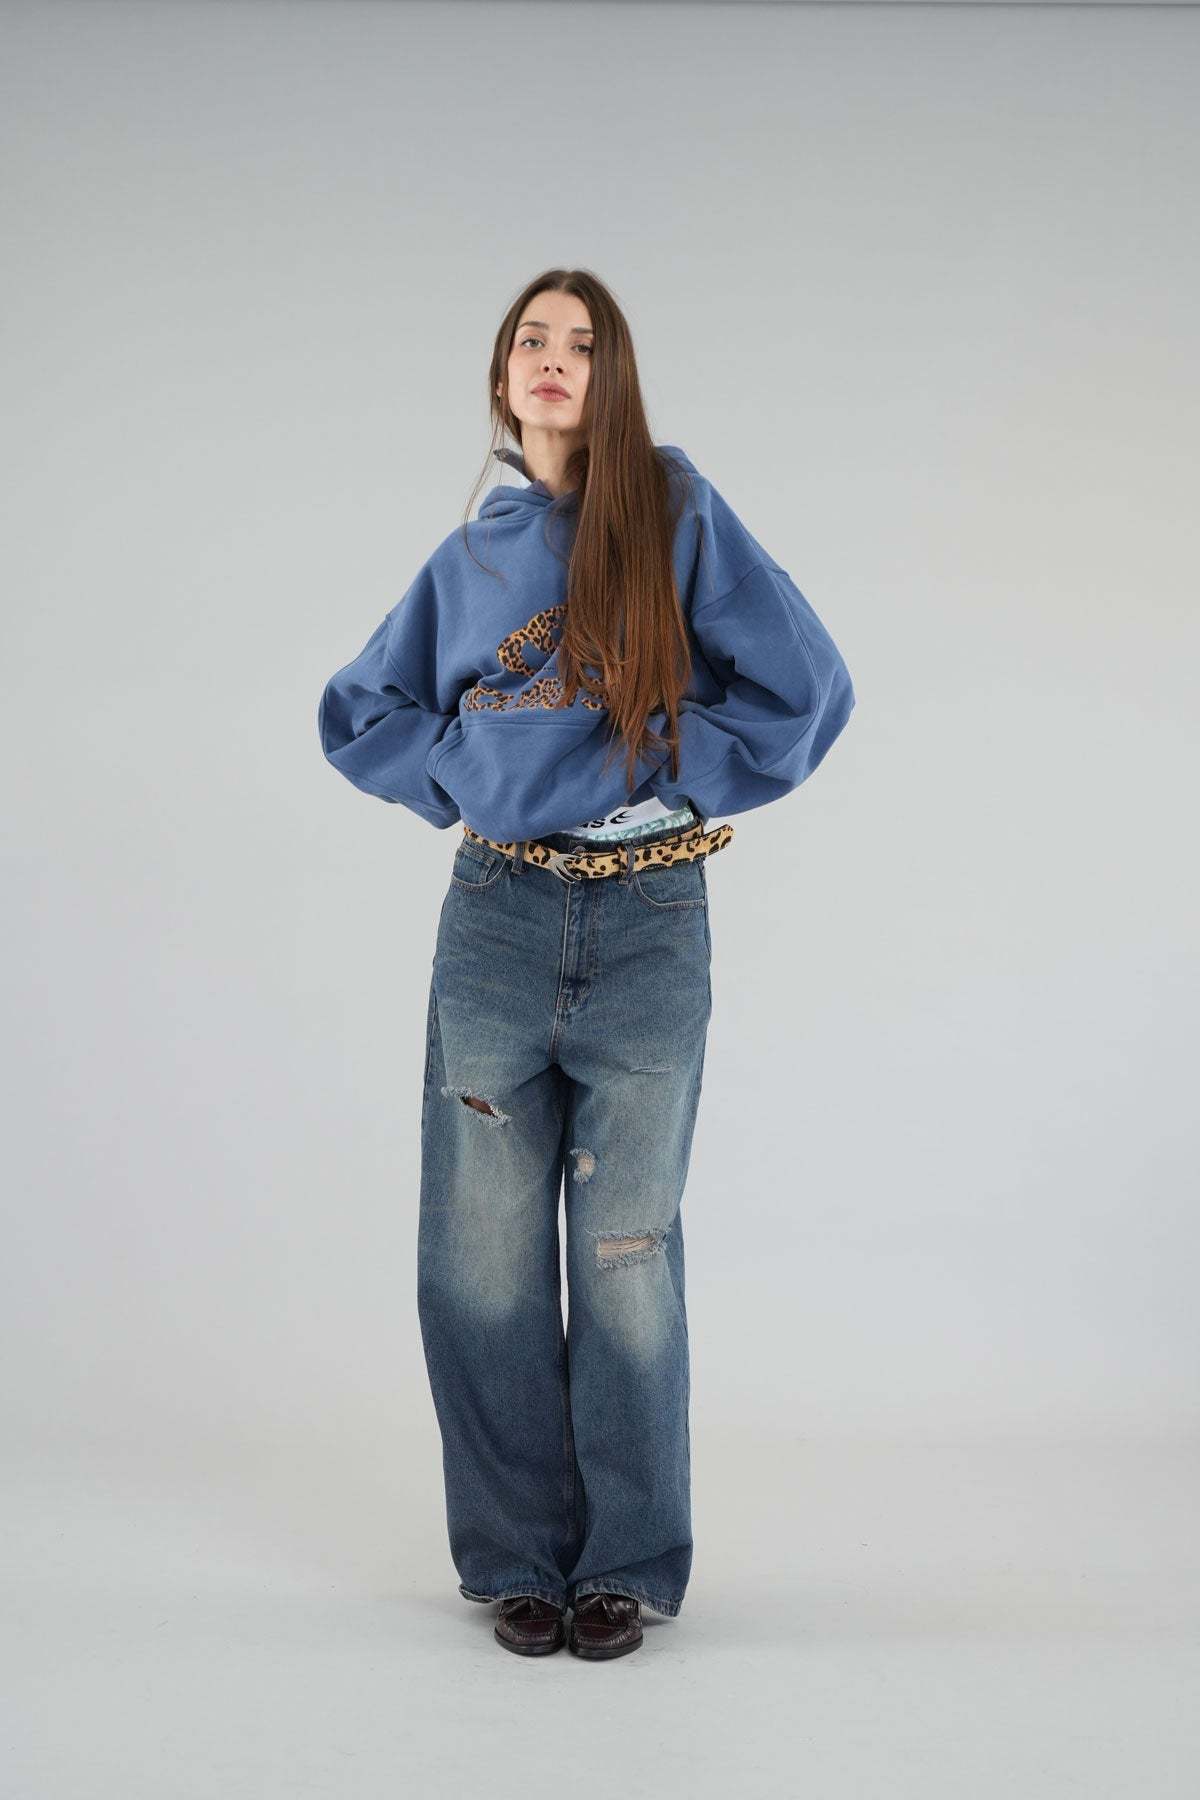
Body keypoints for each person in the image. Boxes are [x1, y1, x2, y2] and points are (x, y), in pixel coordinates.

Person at [317, 268, 856, 1659]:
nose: (553, 359)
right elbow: (360, 710)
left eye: (582, 343)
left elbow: (807, 691)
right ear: (502, 379)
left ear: (613, 378)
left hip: (648, 920)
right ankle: (516, 1559)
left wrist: (665, 759)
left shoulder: (674, 512)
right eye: (530, 341)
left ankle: (623, 1562)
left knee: (627, 1255)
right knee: (481, 1258)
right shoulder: (470, 560)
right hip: (497, 919)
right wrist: (468, 771)